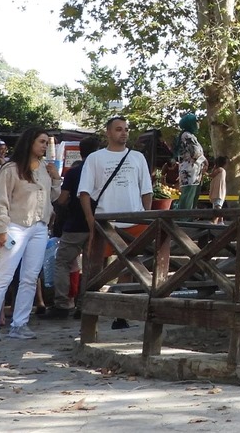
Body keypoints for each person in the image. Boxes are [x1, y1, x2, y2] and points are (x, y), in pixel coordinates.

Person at [0, 127, 61, 342]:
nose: (44, 146)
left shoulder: (44, 168)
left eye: (45, 142)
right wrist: (0, 228)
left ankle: (20, 323)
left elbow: (52, 197)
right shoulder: (11, 169)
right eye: (41, 141)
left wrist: (56, 178)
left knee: (30, 277)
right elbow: (0, 200)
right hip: (15, 225)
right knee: (3, 276)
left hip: (39, 227)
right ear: (30, 142)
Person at [78, 116, 152, 329]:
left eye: (126, 129)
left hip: (133, 220)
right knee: (96, 266)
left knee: (128, 266)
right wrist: (90, 220)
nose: (124, 133)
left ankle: (121, 312)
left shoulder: (138, 157)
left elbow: (146, 189)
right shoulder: (95, 158)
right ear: (108, 132)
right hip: (105, 220)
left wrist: (146, 215)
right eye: (119, 129)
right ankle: (91, 307)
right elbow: (84, 192)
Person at [42, 135, 101, 319]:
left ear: (80, 152)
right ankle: (85, 305)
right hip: (99, 224)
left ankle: (62, 304)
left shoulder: (74, 172)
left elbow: (62, 199)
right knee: (91, 266)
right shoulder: (102, 172)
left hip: (75, 225)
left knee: (62, 262)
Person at [174, 112, 206, 210]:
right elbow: (195, 152)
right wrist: (205, 160)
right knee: (188, 198)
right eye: (196, 121)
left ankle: (188, 219)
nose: (198, 123)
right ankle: (184, 221)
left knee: (192, 198)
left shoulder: (191, 136)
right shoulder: (187, 135)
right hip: (189, 172)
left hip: (194, 172)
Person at [207, 155, 227, 223]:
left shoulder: (220, 170)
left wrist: (204, 172)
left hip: (218, 192)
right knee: (218, 206)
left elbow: (211, 175)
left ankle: (214, 221)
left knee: (217, 207)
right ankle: (221, 221)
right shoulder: (222, 171)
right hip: (218, 192)